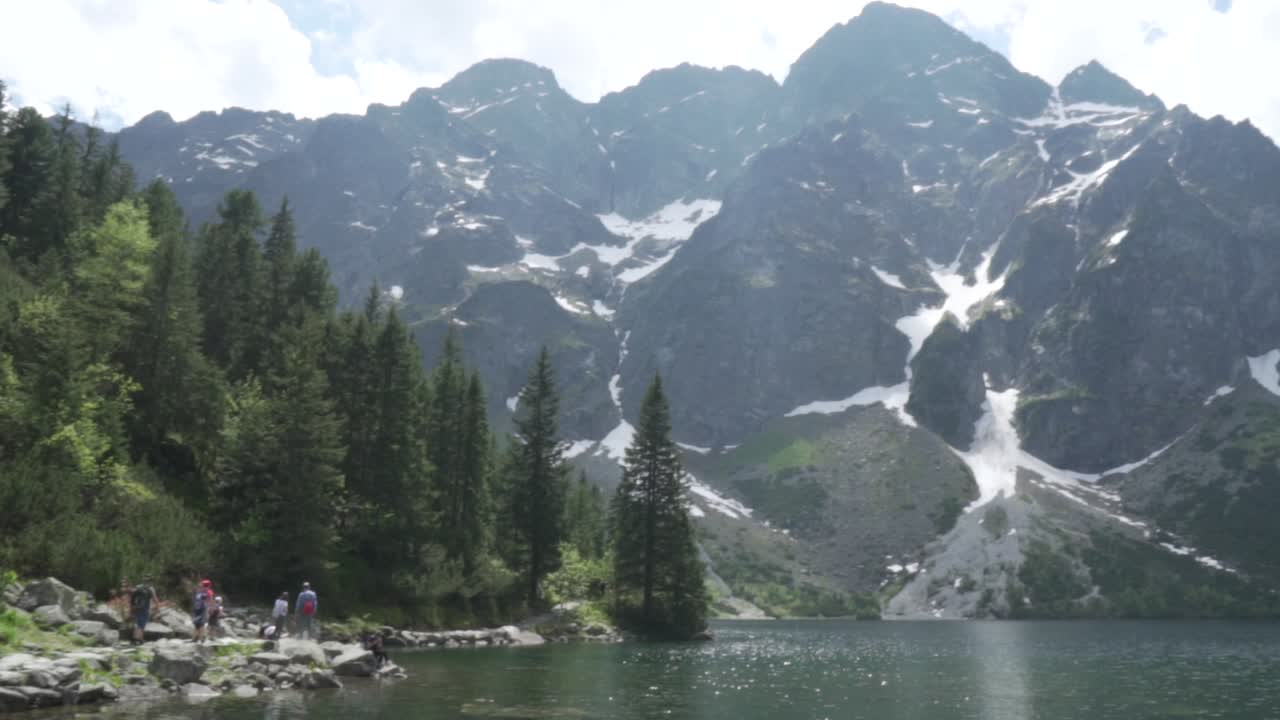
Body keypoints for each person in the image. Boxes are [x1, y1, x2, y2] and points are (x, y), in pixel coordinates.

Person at [129, 576, 158, 644]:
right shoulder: (151, 588)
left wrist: (131, 608)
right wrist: (157, 607)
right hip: (144, 608)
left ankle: (138, 639)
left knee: (138, 623)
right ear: (150, 581)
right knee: (142, 625)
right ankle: (138, 639)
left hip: (136, 607)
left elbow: (132, 597)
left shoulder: (138, 587)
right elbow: (155, 599)